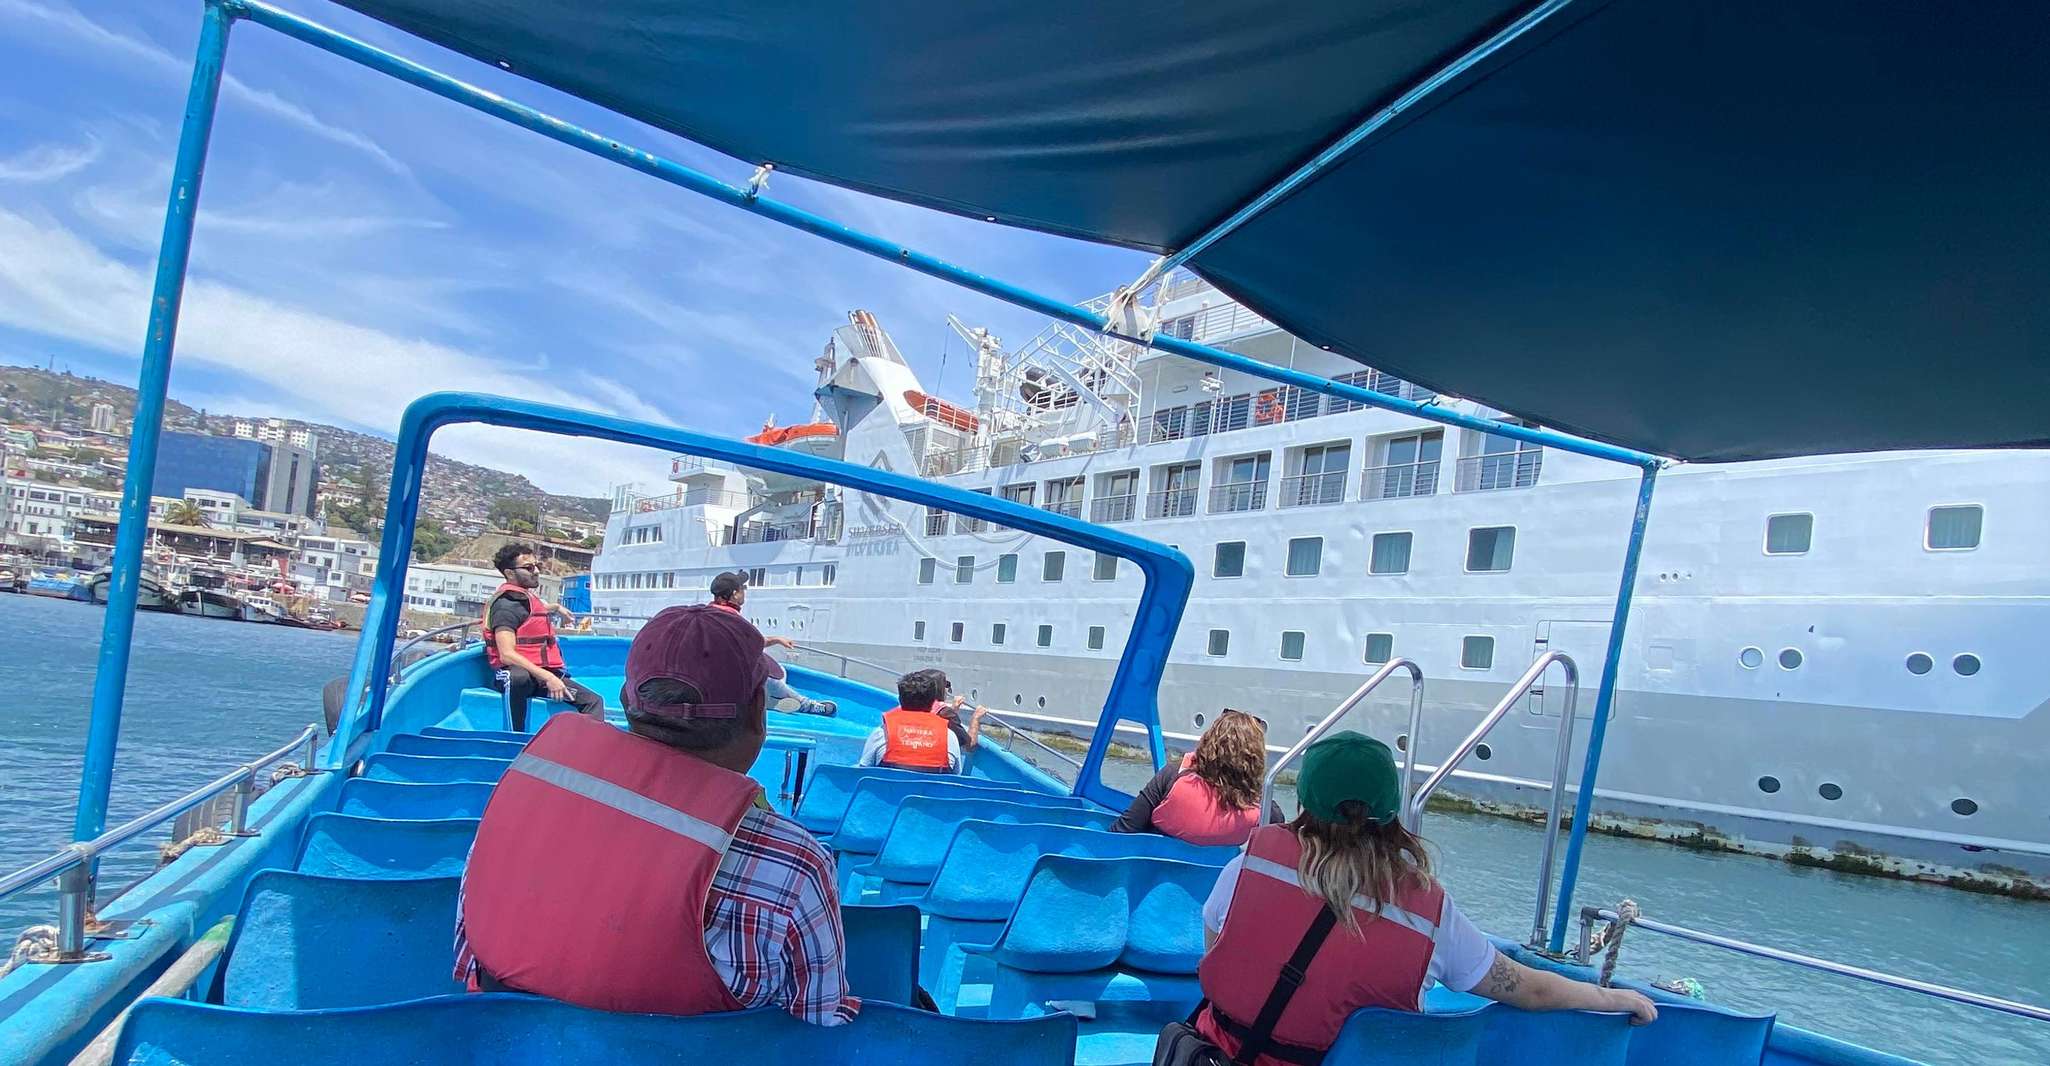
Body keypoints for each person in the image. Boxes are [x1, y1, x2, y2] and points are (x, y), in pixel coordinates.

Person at [454, 604, 858, 1024]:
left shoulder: (527, 784)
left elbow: (468, 955)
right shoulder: (794, 863)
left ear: (628, 701)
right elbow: (821, 1021)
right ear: (759, 711)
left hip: (509, 1044)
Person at [1193, 732, 1656, 1065]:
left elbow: (1218, 950)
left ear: (1305, 801)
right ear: (1392, 810)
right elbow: (1527, 989)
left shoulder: (1248, 866)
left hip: (1216, 1055)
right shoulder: (1430, 916)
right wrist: (1608, 996)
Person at [1111, 708, 1279, 846]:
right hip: (1212, 884)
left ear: (1208, 742)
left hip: (1156, 880)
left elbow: (1122, 831)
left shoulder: (1171, 777)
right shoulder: (1263, 808)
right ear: (1256, 758)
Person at [484, 542, 603, 731]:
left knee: (593, 702)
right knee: (518, 677)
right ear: (510, 573)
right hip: (513, 675)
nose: (536, 571)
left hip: (538, 676)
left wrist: (556, 608)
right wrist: (548, 677)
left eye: (537, 566)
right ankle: (514, 735)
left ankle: (589, 748)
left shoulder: (525, 600)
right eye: (528, 568)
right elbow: (506, 654)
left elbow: (532, 612)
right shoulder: (505, 606)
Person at [710, 570, 836, 716]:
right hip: (727, 678)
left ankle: (759, 699)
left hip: (713, 680)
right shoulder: (732, 620)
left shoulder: (711, 612)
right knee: (770, 675)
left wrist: (776, 639)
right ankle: (807, 705)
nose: (744, 591)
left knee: (775, 669)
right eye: (742, 588)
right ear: (734, 594)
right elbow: (753, 644)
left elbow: (748, 642)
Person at [857, 668, 987, 773]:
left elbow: (863, 771)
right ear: (932, 702)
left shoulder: (882, 734)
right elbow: (954, 776)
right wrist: (975, 718)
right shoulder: (949, 738)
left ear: (901, 701)